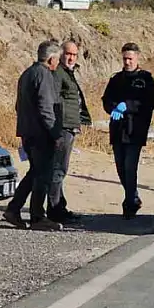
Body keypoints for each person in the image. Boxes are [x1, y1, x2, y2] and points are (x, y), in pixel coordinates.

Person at [4, 40, 64, 231]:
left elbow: (18, 106)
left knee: (35, 172)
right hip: (40, 134)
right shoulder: (44, 75)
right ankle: (37, 217)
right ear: (52, 58)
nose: (59, 63)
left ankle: (14, 209)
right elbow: (46, 107)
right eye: (58, 59)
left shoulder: (27, 73)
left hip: (28, 132)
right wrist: (55, 133)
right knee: (42, 175)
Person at [101, 42, 154, 219]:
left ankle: (129, 202)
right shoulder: (116, 79)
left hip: (135, 130)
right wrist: (114, 107)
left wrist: (128, 106)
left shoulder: (145, 79)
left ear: (137, 58)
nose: (127, 62)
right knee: (120, 168)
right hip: (118, 130)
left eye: (130, 58)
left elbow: (148, 104)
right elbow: (106, 100)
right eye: (125, 58)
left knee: (130, 167)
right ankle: (134, 197)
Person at [49, 39, 92, 223]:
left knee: (61, 169)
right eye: (68, 54)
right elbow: (54, 100)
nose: (71, 58)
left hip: (70, 126)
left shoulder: (68, 73)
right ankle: (54, 210)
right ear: (61, 54)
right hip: (63, 127)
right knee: (58, 169)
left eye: (74, 55)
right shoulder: (58, 73)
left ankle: (60, 206)